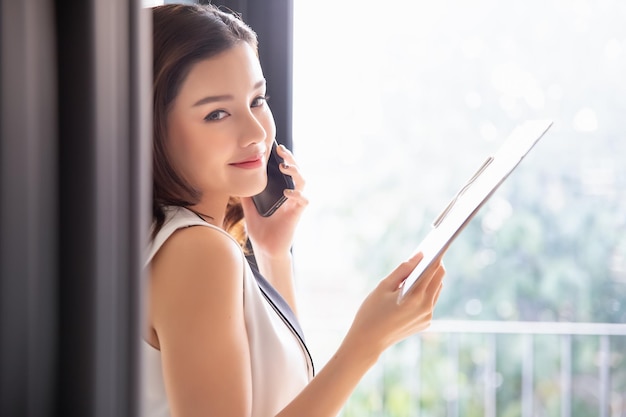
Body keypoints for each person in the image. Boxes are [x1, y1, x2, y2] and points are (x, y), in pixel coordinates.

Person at [143, 4, 446, 417]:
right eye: (217, 113)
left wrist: (272, 252)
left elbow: (285, 395)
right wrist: (366, 342)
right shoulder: (197, 251)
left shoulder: (178, 240)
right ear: (152, 127)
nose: (255, 132)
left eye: (257, 100)